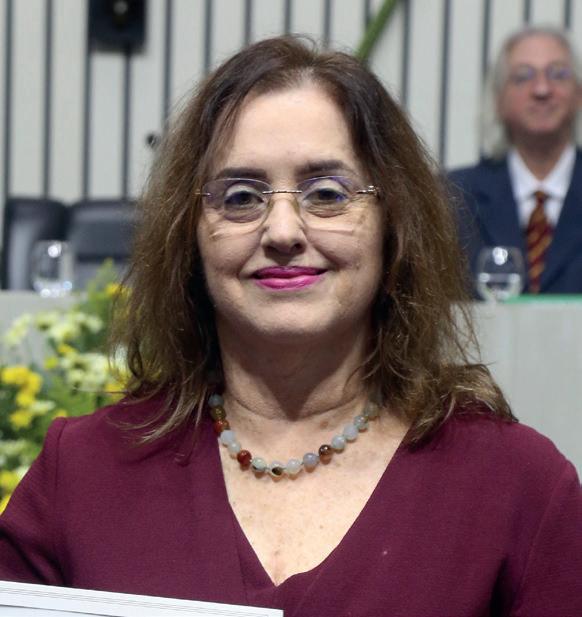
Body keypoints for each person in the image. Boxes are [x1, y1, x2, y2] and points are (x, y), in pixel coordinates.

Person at [1, 36, 581, 616]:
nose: (282, 231)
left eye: (326, 193)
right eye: (240, 197)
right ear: (189, 234)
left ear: (393, 225)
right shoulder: (82, 473)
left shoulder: (517, 486)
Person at [450, 26, 582, 294]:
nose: (542, 89)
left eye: (558, 74)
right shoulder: (453, 199)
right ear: (499, 99)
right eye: (523, 77)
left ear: (579, 94)